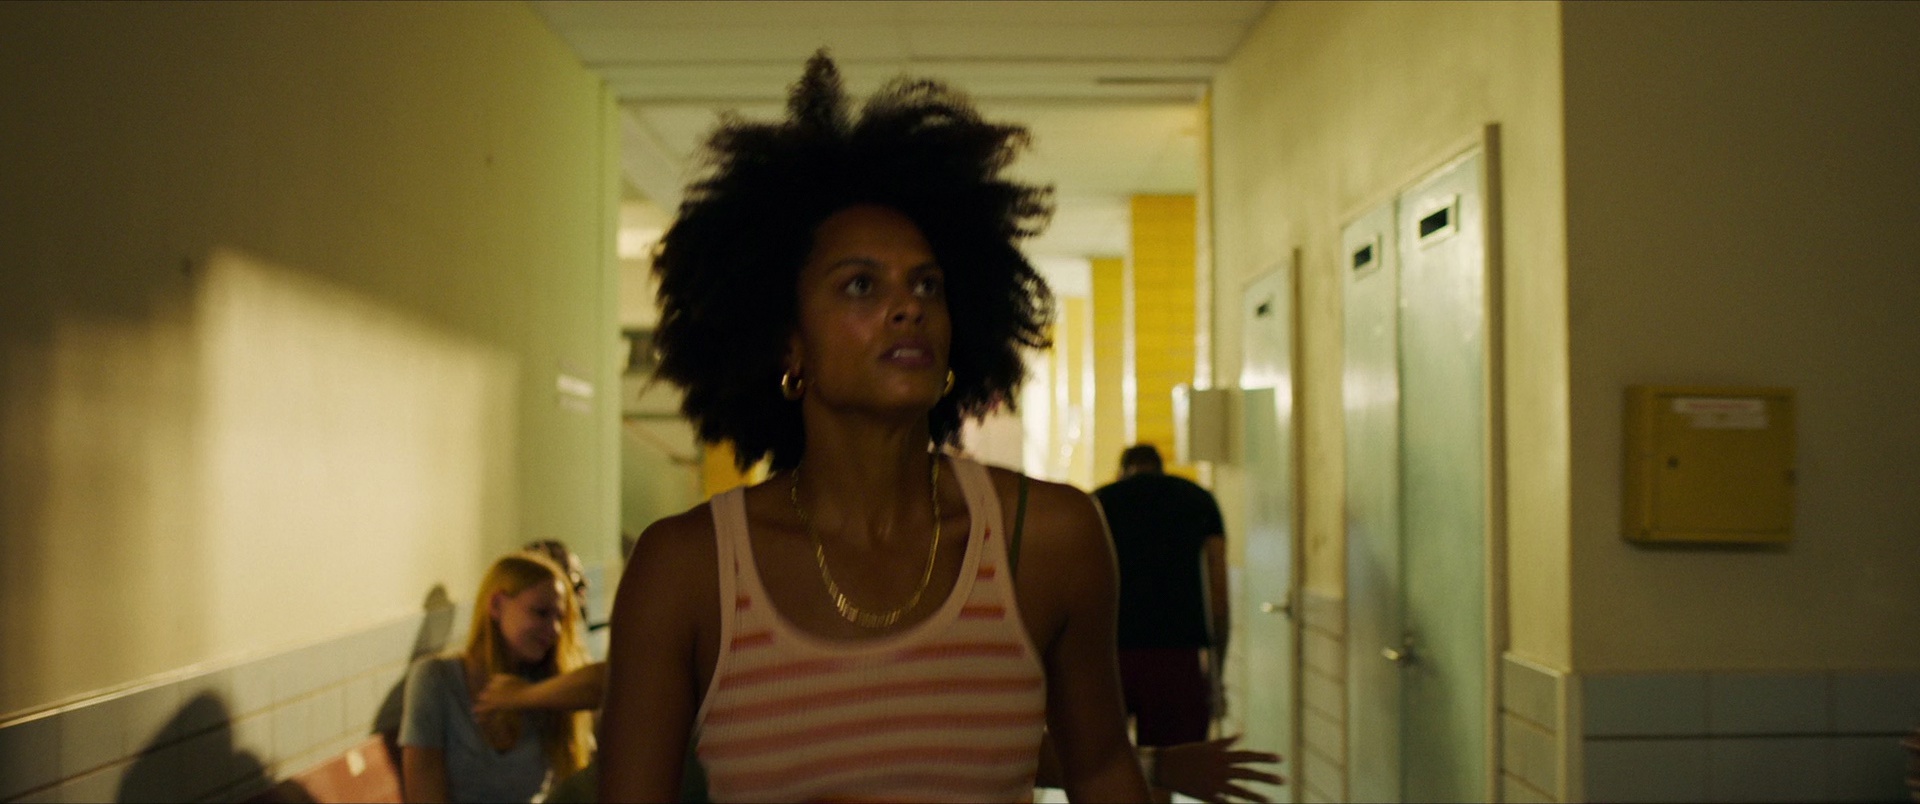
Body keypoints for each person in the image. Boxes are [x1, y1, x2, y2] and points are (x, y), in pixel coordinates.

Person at [598, 51, 1151, 802]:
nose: (908, 306)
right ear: (788, 343)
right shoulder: (685, 570)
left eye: (928, 285)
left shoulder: (1049, 539)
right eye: (861, 285)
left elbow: (1102, 771)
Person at [398, 552, 593, 803]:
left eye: (559, 618)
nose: (555, 630)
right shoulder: (436, 679)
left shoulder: (545, 680)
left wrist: (526, 695)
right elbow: (424, 794)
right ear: (497, 605)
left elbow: (606, 685)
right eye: (541, 613)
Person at [1093, 444, 1230, 766]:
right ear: (1160, 468)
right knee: (1168, 768)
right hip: (1177, 658)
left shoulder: (1098, 502)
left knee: (1105, 766)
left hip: (1110, 656)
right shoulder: (1198, 500)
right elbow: (1219, 595)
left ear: (1122, 471)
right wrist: (1217, 674)